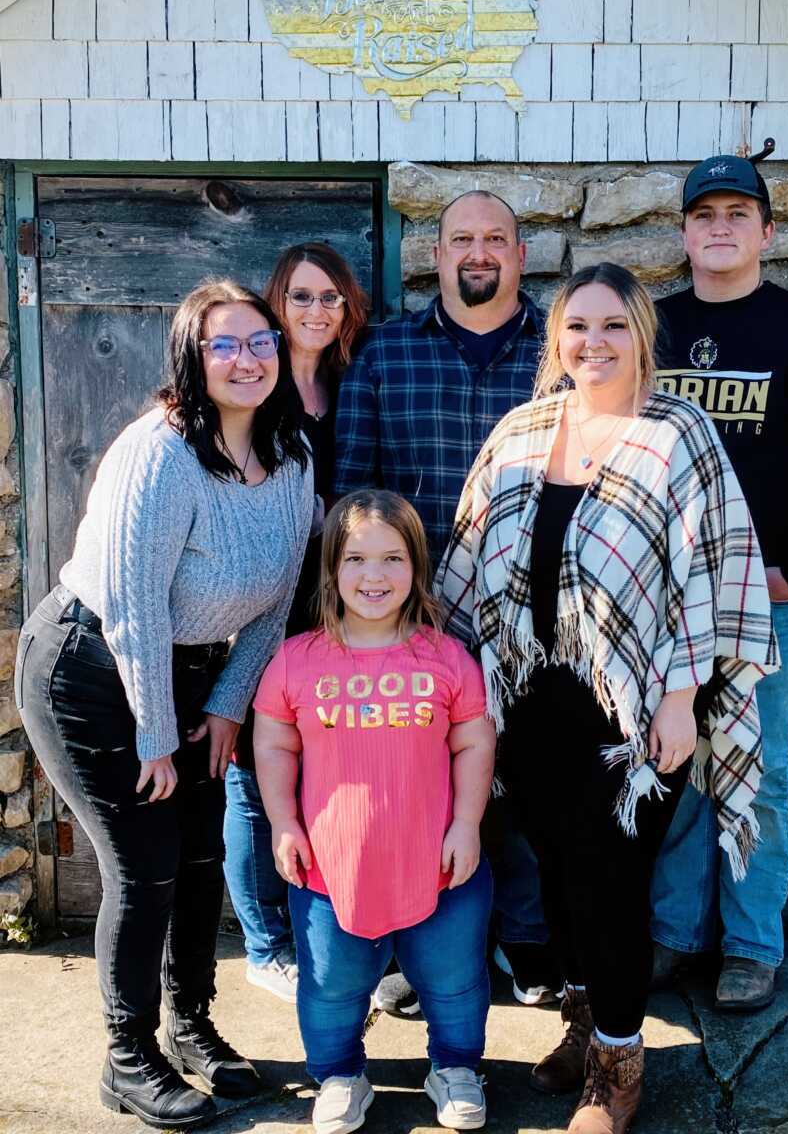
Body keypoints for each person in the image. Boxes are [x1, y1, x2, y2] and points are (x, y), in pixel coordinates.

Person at [437, 264, 778, 1133]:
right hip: (534, 700)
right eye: (578, 328)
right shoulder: (520, 431)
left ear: (641, 338)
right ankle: (584, 1031)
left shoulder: (678, 435)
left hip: (639, 709)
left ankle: (618, 1072)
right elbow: (471, 558)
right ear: (555, 341)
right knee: (554, 871)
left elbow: (714, 572)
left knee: (614, 882)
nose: (595, 344)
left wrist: (677, 699)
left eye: (613, 327)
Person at [14, 280, 316, 1130]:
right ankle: (126, 1057)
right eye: (224, 344)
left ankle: (190, 1027)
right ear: (191, 356)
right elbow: (135, 606)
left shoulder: (292, 456)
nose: (246, 359)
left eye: (260, 341)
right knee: (143, 863)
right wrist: (154, 736)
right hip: (89, 669)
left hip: (189, 677)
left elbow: (278, 599)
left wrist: (226, 709)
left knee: (197, 858)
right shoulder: (160, 452)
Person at [649, 155, 788, 1010]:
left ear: (767, 232)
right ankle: (673, 930)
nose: (719, 226)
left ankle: (752, 943)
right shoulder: (653, 328)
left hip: (768, 599)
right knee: (674, 763)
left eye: (737, 213)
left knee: (765, 773)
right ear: (682, 233)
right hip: (666, 602)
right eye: (704, 213)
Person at [334, 189, 557, 1009]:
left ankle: (528, 940)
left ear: (520, 255)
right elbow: (352, 490)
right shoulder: (386, 354)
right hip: (412, 616)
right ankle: (413, 947)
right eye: (462, 238)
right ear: (437, 254)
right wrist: (371, 603)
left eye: (496, 238)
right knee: (414, 788)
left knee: (529, 778)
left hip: (534, 613)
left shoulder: (557, 350)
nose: (478, 253)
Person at [253, 490, 496, 1134]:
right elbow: (274, 743)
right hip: (332, 871)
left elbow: (474, 741)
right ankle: (338, 1076)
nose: (374, 576)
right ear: (332, 566)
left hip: (440, 865)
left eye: (392, 558)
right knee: (331, 989)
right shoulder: (296, 660)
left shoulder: (446, 658)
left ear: (416, 565)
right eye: (356, 559)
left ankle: (456, 1069)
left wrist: (467, 823)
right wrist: (283, 822)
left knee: (455, 984)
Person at [224, 244, 369, 1003]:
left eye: (332, 299)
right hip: (266, 604)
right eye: (303, 297)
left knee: (333, 762)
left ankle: (343, 921)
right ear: (276, 304)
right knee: (255, 772)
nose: (317, 311)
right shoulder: (257, 388)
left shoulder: (352, 384)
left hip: (339, 604)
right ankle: (264, 943)